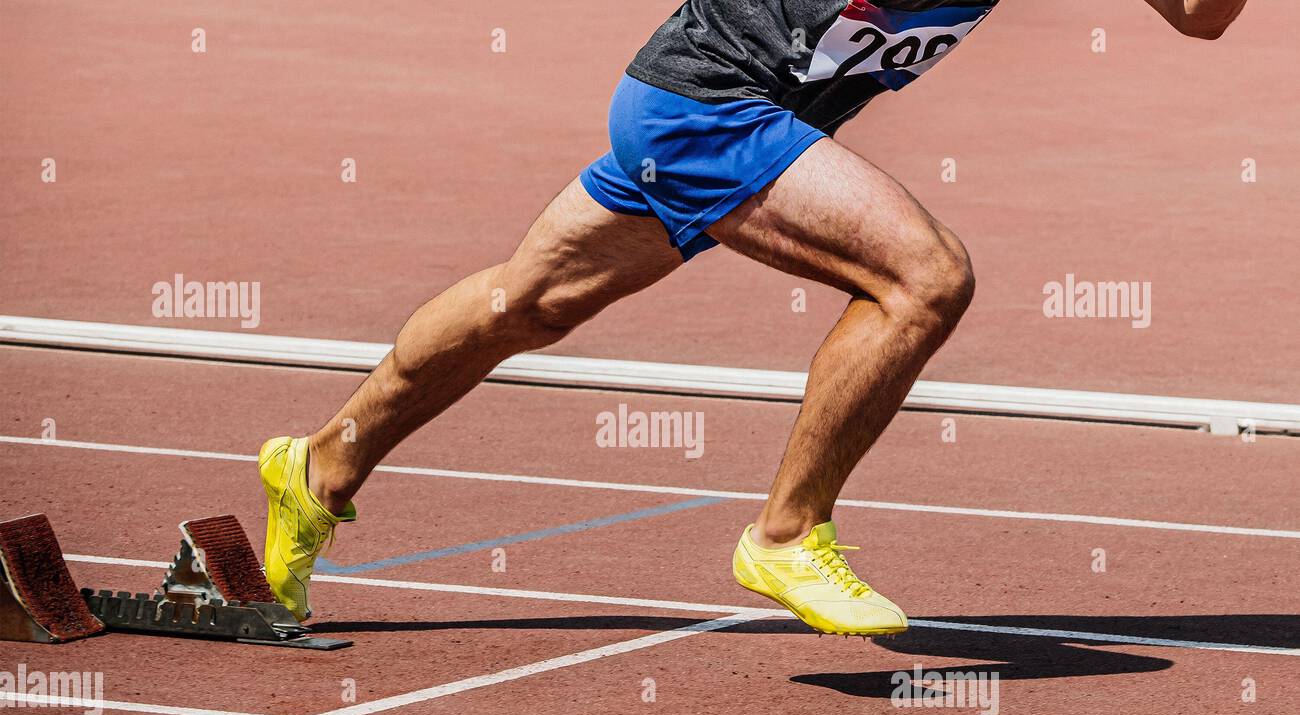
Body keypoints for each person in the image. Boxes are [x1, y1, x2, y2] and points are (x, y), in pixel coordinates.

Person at [259, 0, 1247, 635]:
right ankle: (785, 533)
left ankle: (317, 466)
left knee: (530, 302)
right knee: (924, 278)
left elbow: (1202, 16)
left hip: (743, 117)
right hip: (705, 104)